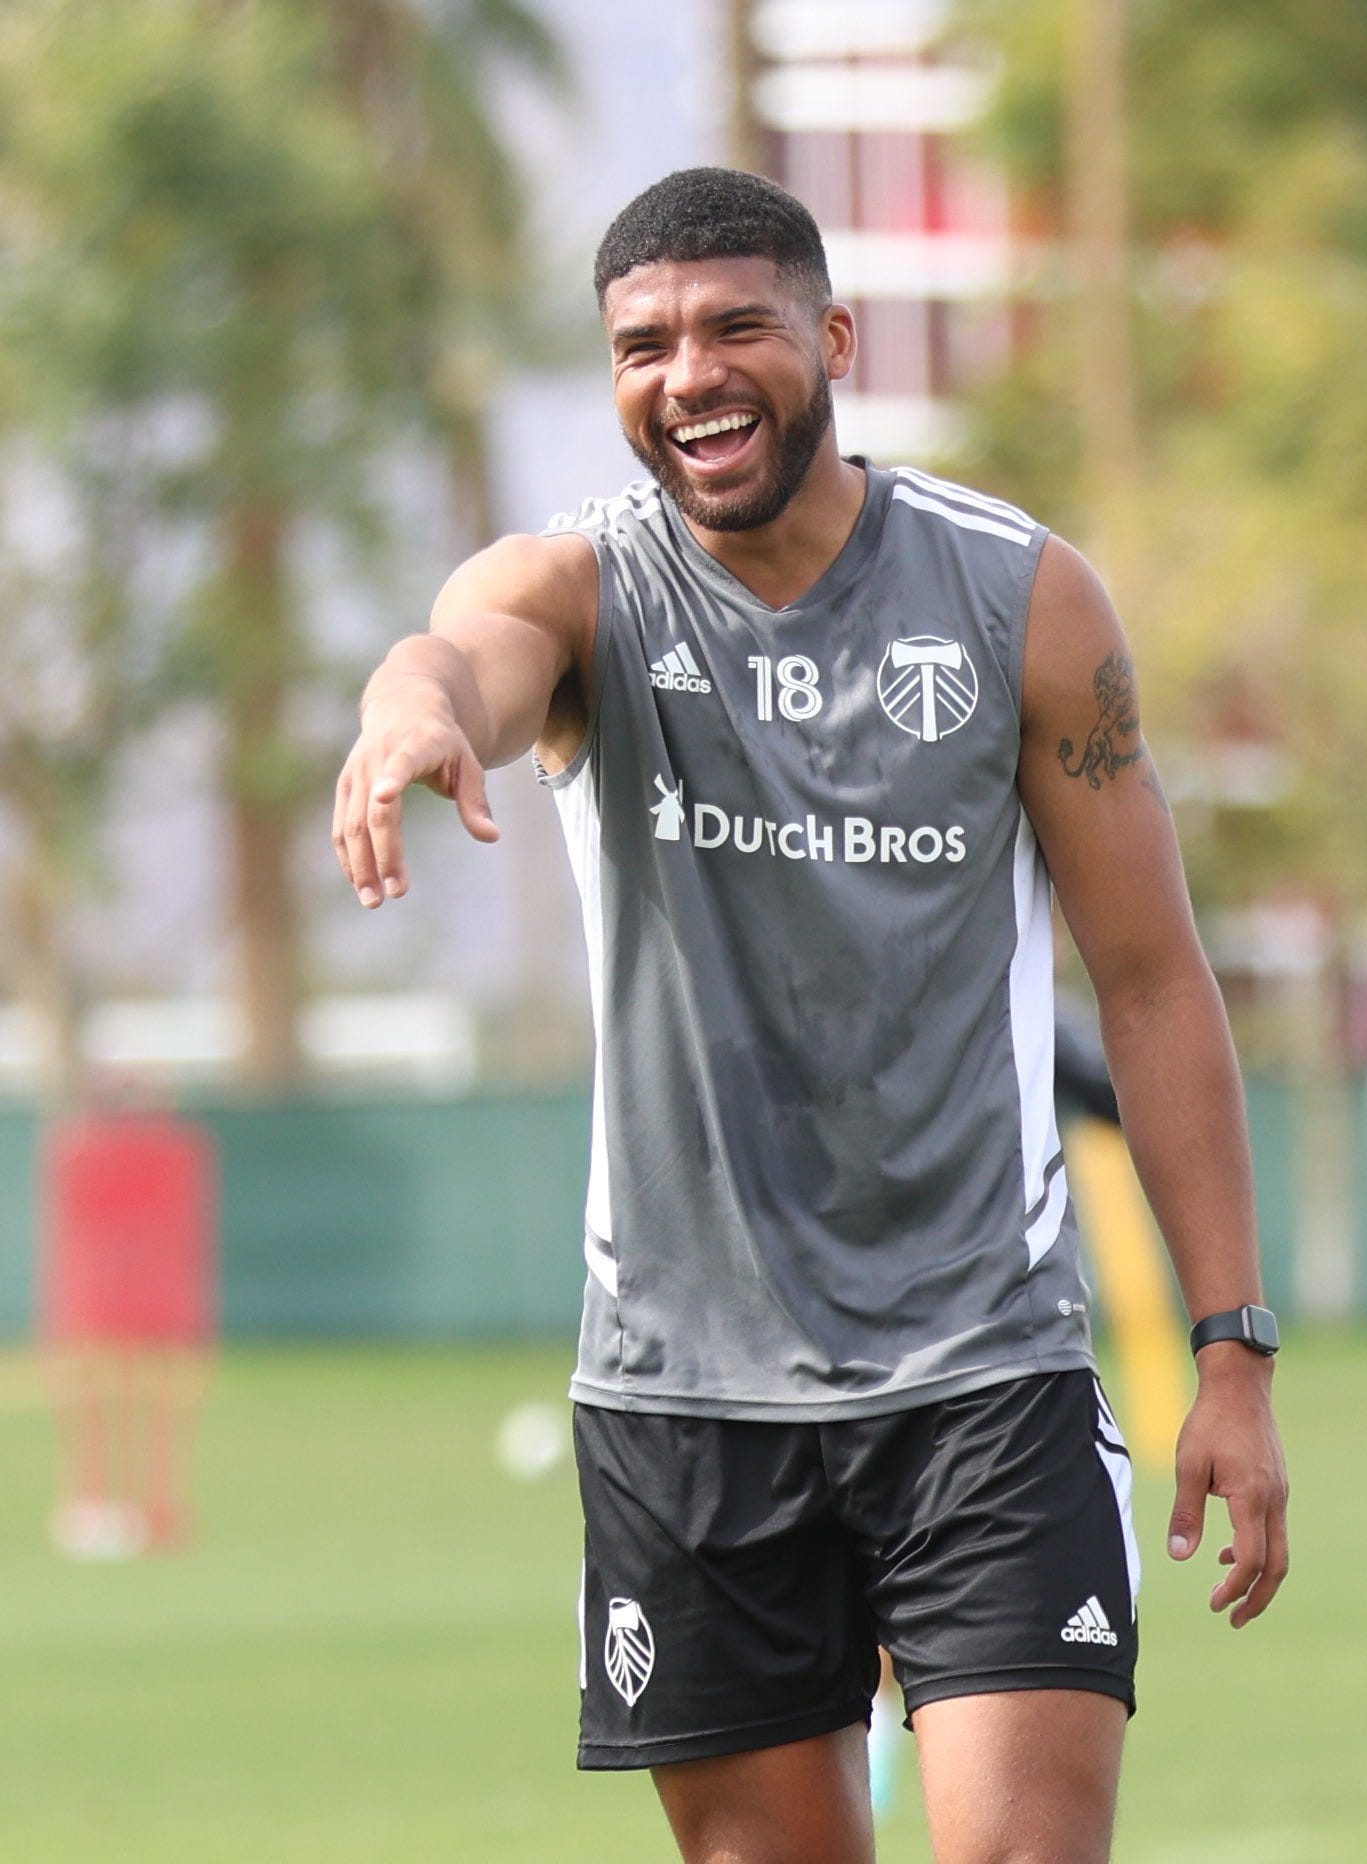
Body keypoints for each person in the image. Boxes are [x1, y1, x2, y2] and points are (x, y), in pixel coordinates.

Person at [334, 167, 1288, 1864]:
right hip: (684, 1398)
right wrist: (406, 713)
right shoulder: (591, 592)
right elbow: (458, 649)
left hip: (984, 1368)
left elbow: (1151, 976)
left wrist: (1234, 1346)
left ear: (832, 336)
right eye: (643, 343)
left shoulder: (1024, 601)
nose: (687, 371)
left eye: (733, 327)